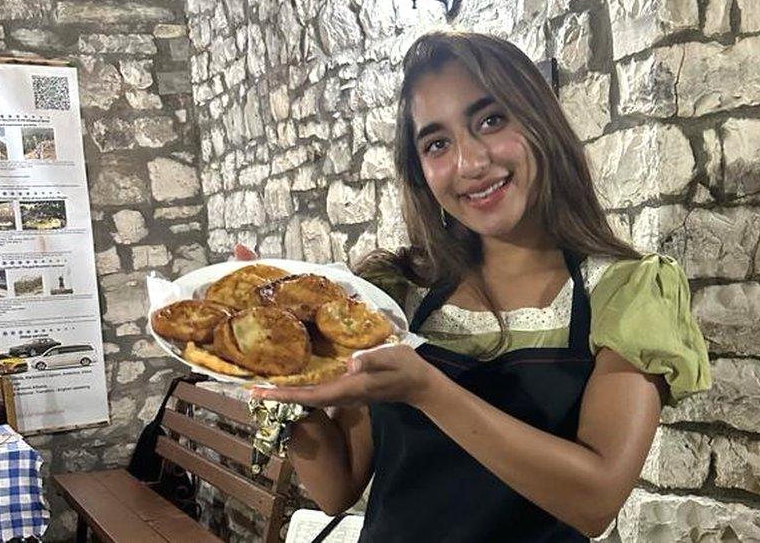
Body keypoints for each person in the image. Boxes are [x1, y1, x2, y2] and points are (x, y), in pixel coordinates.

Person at [246, 31, 711, 542]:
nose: (469, 163)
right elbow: (336, 487)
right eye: (437, 143)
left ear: (540, 123)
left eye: (490, 120)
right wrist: (278, 369)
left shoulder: (628, 291)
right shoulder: (396, 294)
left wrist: (427, 390)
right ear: (420, 170)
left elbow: (596, 499)